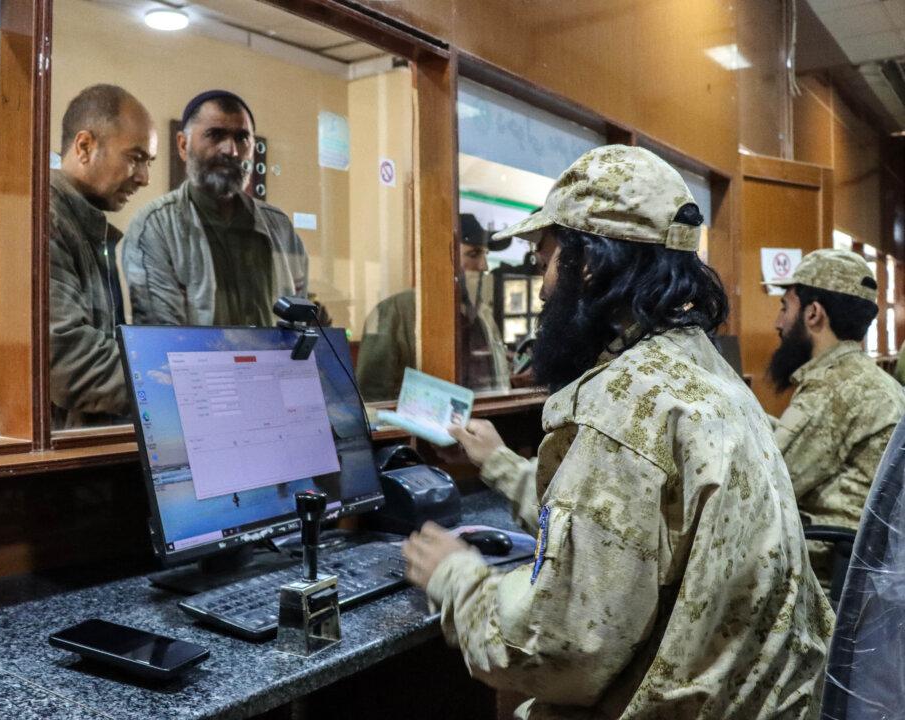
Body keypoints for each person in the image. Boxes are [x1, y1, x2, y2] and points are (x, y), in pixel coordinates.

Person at [402, 145, 833, 719]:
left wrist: (456, 576)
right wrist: (503, 465)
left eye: (547, 260)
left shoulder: (624, 407)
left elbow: (553, 650)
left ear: (587, 265)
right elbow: (623, 531)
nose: (541, 288)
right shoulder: (704, 372)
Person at [0, 84, 156, 437]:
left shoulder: (75, 225)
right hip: (10, 472)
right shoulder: (33, 222)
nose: (144, 177)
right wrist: (175, 382)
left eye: (149, 162)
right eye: (135, 157)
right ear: (84, 146)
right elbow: (69, 363)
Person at [765, 249, 905, 579]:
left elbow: (765, 482)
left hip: (829, 577)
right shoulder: (867, 381)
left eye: (786, 307)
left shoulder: (834, 390)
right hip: (870, 571)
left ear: (813, 314)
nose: (778, 323)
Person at [122, 90, 307, 327]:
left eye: (242, 138)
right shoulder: (155, 227)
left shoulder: (280, 228)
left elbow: (297, 324)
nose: (231, 150)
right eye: (215, 135)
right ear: (182, 144)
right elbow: (163, 339)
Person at [356, 213, 509, 400]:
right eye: (474, 254)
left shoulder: (482, 314)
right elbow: (372, 393)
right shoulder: (395, 311)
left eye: (485, 254)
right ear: (443, 257)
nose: (484, 266)